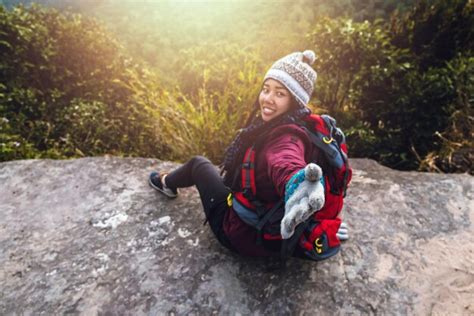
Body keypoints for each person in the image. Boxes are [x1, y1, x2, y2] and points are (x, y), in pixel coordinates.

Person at [149, 50, 349, 258]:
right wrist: (322, 222)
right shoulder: (306, 126)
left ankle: (165, 182)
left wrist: (295, 184)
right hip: (278, 234)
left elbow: (284, 160)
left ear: (294, 101)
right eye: (266, 89)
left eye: (280, 93)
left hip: (244, 236)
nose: (268, 99)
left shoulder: (284, 137)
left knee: (198, 164)